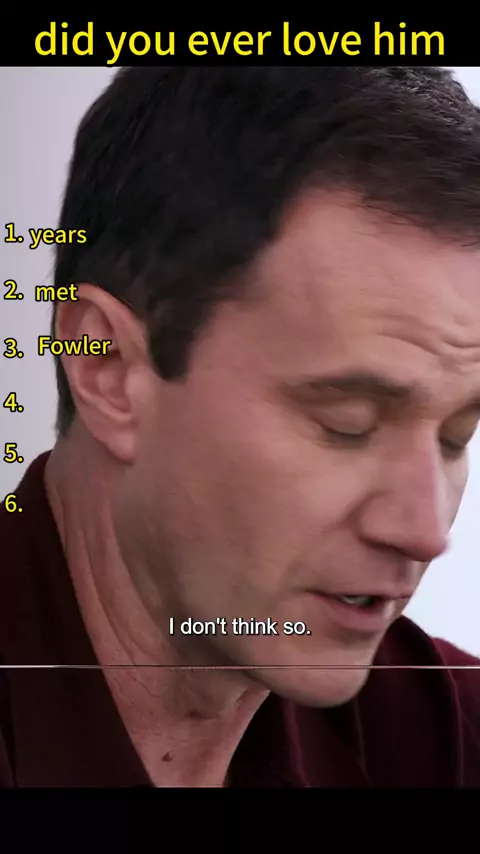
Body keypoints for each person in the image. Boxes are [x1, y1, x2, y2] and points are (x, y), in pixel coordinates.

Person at [3, 66, 480, 788]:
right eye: (345, 425)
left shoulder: (447, 735)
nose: (423, 532)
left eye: (455, 437)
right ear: (107, 367)